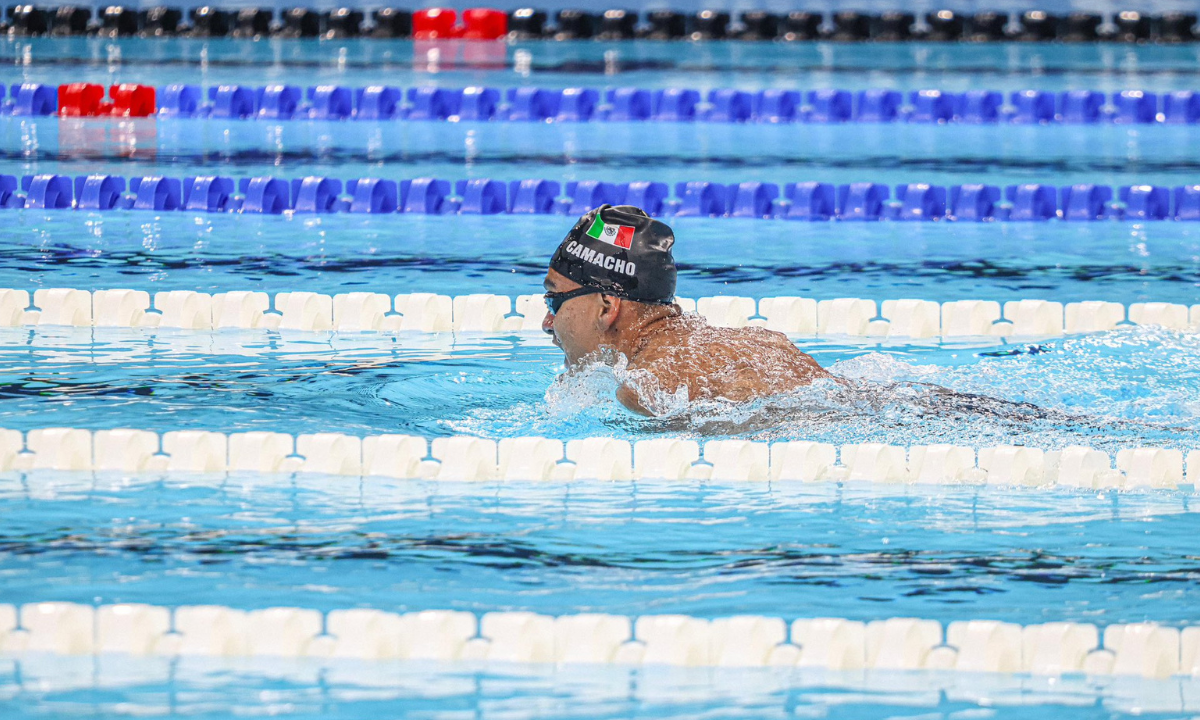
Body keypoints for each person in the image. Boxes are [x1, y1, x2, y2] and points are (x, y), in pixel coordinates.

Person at [542, 204, 833, 416]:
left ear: (606, 308)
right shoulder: (749, 342)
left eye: (553, 300)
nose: (547, 322)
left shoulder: (646, 390)